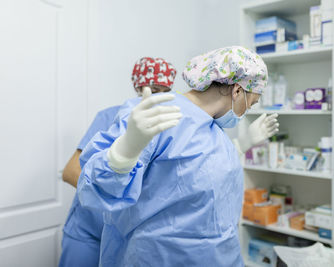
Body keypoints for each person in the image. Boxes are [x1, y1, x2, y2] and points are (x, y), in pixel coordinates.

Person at [77, 46, 279, 266]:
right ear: (237, 91)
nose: (248, 109)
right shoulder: (158, 113)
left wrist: (242, 145)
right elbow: (95, 190)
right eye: (253, 102)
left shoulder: (214, 129)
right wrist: (125, 150)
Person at [59, 57, 177, 267]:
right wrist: (112, 192)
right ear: (139, 87)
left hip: (126, 236)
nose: (156, 94)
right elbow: (70, 171)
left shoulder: (170, 123)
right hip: (87, 230)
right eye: (151, 88)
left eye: (162, 90)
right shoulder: (111, 116)